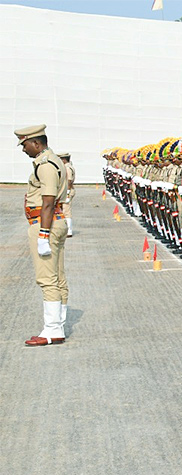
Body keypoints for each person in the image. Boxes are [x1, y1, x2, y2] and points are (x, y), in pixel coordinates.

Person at [16, 124, 69, 346]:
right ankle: (58, 323)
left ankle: (52, 329)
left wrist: (43, 235)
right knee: (57, 276)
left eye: (25, 144)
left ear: (36, 143)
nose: (23, 149)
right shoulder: (52, 161)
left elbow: (47, 201)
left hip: (44, 222)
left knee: (46, 279)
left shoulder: (46, 165)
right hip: (52, 221)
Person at [60, 152, 75, 237]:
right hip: (66, 190)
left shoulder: (67, 168)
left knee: (66, 211)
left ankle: (69, 231)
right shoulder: (68, 166)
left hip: (67, 190)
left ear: (64, 159)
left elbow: (69, 180)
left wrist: (68, 192)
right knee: (65, 210)